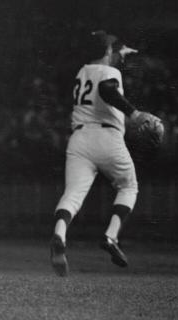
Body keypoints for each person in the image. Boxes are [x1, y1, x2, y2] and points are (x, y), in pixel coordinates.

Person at [50, 30, 154, 276]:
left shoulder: (82, 71)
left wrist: (119, 51)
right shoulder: (110, 72)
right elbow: (107, 89)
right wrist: (135, 114)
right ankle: (111, 236)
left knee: (73, 194)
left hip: (79, 139)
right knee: (129, 187)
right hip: (107, 138)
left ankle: (59, 234)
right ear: (108, 52)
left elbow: (101, 74)